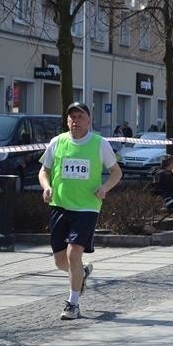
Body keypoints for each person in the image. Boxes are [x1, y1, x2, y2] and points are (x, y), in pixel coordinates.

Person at [38, 101, 123, 320]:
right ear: (67, 120)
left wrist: (104, 188)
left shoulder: (99, 143)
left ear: (88, 120)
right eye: (71, 117)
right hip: (59, 205)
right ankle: (81, 273)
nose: (75, 121)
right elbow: (44, 171)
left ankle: (72, 304)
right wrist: (46, 187)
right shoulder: (57, 142)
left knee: (73, 254)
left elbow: (116, 172)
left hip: (87, 207)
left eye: (80, 116)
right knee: (60, 262)